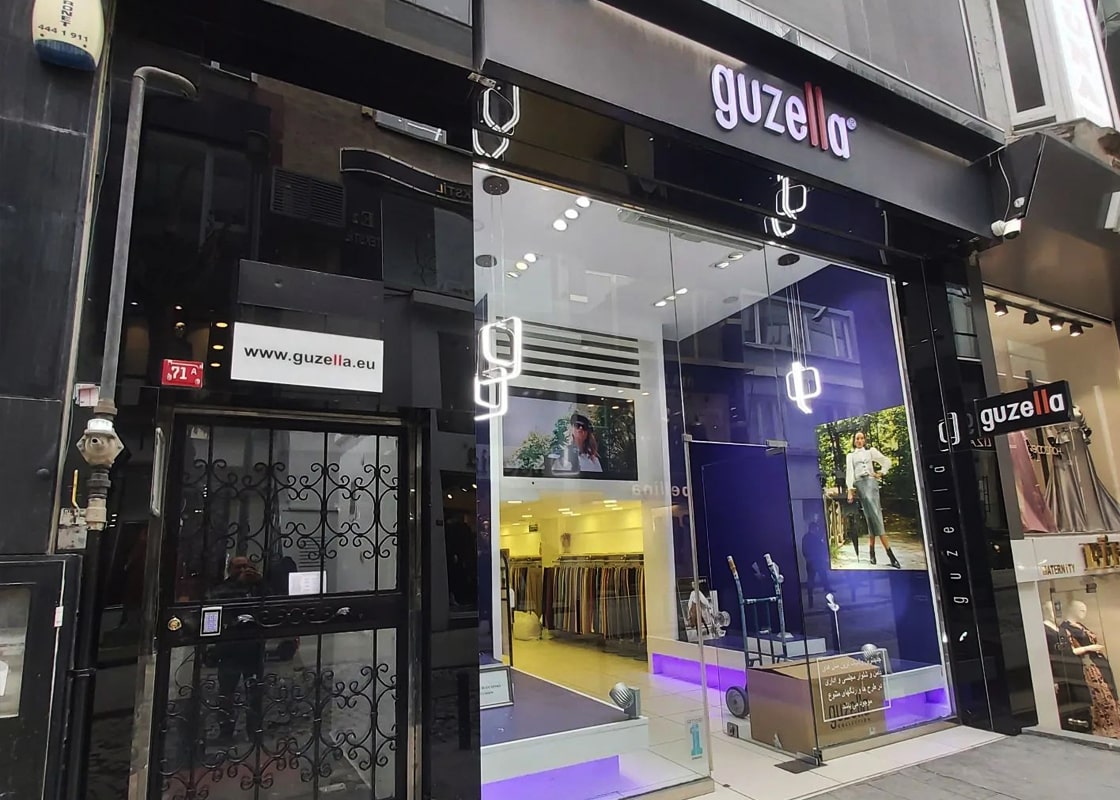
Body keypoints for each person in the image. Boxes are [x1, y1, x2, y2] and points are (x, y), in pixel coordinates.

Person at [846, 431, 901, 569]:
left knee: (875, 516)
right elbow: (850, 473)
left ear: (864, 440)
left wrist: (881, 473)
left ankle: (876, 553)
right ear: (854, 441)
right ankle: (888, 554)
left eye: (862, 438)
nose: (859, 440)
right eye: (857, 438)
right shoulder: (851, 456)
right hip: (861, 486)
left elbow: (886, 461)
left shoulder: (870, 452)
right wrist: (850, 490)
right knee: (871, 516)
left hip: (872, 484)